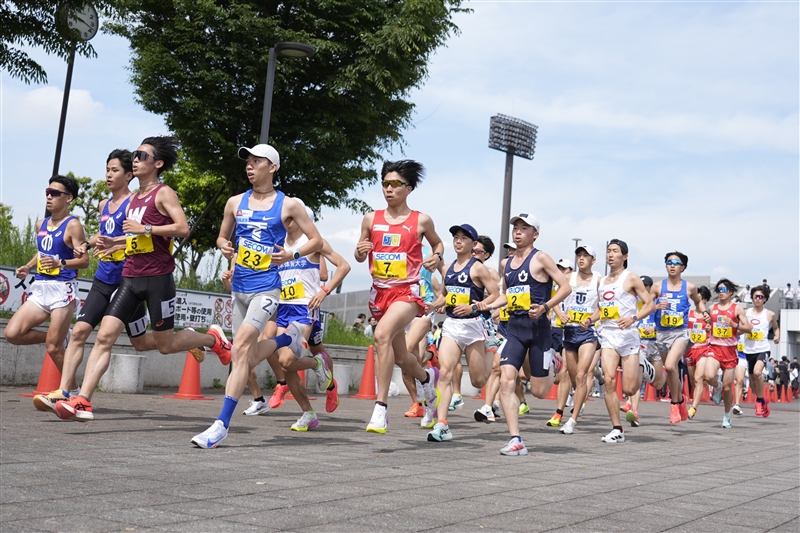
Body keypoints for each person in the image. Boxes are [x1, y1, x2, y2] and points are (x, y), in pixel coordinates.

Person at [54, 137, 233, 422]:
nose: (135, 160)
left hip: (158, 279)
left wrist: (146, 228)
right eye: (135, 155)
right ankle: (83, 400)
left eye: (142, 155)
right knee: (104, 337)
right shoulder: (134, 198)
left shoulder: (163, 193)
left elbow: (182, 228)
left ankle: (212, 339)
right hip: (130, 278)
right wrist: (115, 242)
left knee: (165, 345)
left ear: (158, 163)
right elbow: (135, 238)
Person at [190, 143, 324, 447]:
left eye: (256, 161)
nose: (249, 166)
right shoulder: (234, 202)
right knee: (244, 358)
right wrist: (224, 246)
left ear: (272, 167)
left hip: (267, 289)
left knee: (240, 349)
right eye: (247, 161)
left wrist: (291, 254)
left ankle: (220, 425)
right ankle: (287, 339)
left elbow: (316, 240)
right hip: (239, 288)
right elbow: (222, 236)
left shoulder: (289, 205)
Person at [34, 151, 158, 412]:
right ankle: (64, 392)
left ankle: (191, 340)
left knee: (142, 342)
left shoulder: (135, 203)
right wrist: (87, 246)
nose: (108, 175)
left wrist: (116, 246)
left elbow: (142, 240)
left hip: (128, 281)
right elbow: (103, 233)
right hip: (103, 278)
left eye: (114, 170)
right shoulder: (103, 204)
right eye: (107, 170)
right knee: (79, 332)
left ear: (129, 175)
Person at [354, 159, 444, 434]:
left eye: (395, 184)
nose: (389, 189)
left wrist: (437, 256)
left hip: (407, 292)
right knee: (402, 357)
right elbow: (359, 254)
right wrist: (360, 251)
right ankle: (427, 379)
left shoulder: (421, 220)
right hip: (379, 293)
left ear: (409, 188)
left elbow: (438, 244)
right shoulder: (371, 219)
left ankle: (381, 408)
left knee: (381, 335)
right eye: (385, 184)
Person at [484, 213, 570, 455]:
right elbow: (506, 295)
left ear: (535, 234)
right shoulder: (506, 264)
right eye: (516, 228)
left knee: (540, 392)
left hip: (538, 328)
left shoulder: (541, 258)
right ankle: (516, 439)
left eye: (524, 228)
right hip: (515, 329)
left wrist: (545, 307)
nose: (518, 232)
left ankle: (553, 361)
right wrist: (487, 305)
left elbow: (565, 287)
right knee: (506, 380)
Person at [6, 175, 90, 398]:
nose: (49, 197)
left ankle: (73, 392)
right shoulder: (40, 224)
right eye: (47, 192)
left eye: (55, 193)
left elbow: (84, 261)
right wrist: (28, 266)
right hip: (41, 287)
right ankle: (60, 336)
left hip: (62, 289)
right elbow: (43, 251)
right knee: (12, 334)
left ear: (69, 198)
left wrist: (60, 263)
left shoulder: (73, 225)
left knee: (53, 348)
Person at [427, 224, 500, 442]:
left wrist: (474, 307)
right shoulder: (447, 268)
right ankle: (442, 425)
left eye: (463, 238)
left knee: (478, 381)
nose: (458, 241)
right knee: (445, 373)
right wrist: (433, 306)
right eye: (456, 237)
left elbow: (495, 294)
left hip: (473, 326)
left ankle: (491, 350)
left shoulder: (478, 268)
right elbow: (445, 295)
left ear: (473, 244)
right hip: (452, 325)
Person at [584, 239, 655, 444]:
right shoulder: (602, 281)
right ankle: (617, 428)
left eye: (615, 251)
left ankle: (643, 366)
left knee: (630, 389)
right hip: (608, 334)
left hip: (628, 334)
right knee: (609, 381)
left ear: (625, 256)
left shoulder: (631, 278)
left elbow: (649, 304)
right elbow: (601, 308)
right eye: (608, 251)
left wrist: (633, 318)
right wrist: (590, 319)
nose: (610, 255)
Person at [650, 251, 708, 424]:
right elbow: (647, 305)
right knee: (671, 371)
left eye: (676, 263)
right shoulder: (657, 287)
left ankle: (675, 404)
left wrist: (704, 312)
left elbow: (698, 301)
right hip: (662, 333)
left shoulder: (690, 287)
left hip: (680, 333)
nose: (672, 265)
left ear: (683, 267)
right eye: (669, 262)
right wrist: (656, 306)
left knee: (670, 365)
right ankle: (681, 400)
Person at [703, 278, 753, 429]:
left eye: (724, 289)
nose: (721, 292)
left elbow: (748, 328)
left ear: (731, 292)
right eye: (719, 289)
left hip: (730, 350)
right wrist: (708, 327)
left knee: (727, 387)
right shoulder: (712, 307)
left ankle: (726, 415)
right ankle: (716, 386)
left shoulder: (737, 309)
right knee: (709, 376)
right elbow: (708, 324)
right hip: (715, 347)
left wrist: (734, 325)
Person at [545, 258, 573, 428]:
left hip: (574, 330)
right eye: (559, 269)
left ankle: (559, 412)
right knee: (557, 376)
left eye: (565, 269)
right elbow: (552, 304)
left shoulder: (578, 285)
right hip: (556, 329)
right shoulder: (555, 287)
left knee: (569, 372)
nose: (561, 272)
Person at [686, 286, 712, 419]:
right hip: (689, 350)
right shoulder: (688, 313)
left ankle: (693, 408)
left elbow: (718, 330)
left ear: (705, 300)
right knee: (693, 381)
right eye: (696, 296)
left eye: (701, 297)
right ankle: (703, 384)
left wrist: (710, 328)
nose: (698, 299)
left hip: (704, 349)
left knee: (698, 378)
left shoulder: (709, 316)